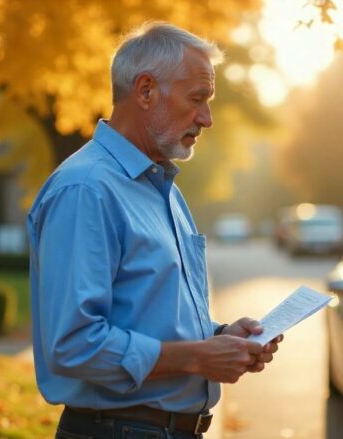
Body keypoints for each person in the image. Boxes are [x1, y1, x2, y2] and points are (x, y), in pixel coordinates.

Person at [27, 22, 282, 439]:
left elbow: (149, 314)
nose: (207, 118)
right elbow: (73, 345)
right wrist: (197, 358)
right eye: (197, 99)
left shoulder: (161, 188)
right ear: (145, 91)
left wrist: (221, 339)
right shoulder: (86, 189)